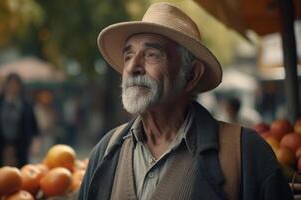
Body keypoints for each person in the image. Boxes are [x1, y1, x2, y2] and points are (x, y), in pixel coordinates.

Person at [78, 2, 292, 200]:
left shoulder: (246, 153)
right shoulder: (105, 151)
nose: (133, 67)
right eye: (128, 56)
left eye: (152, 54)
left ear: (191, 75)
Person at [0, 73, 38, 172]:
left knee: (21, 173)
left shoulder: (25, 104)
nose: (12, 87)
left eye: (15, 84)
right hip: (1, 145)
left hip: (20, 145)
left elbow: (34, 126)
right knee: (0, 173)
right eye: (10, 84)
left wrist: (34, 143)